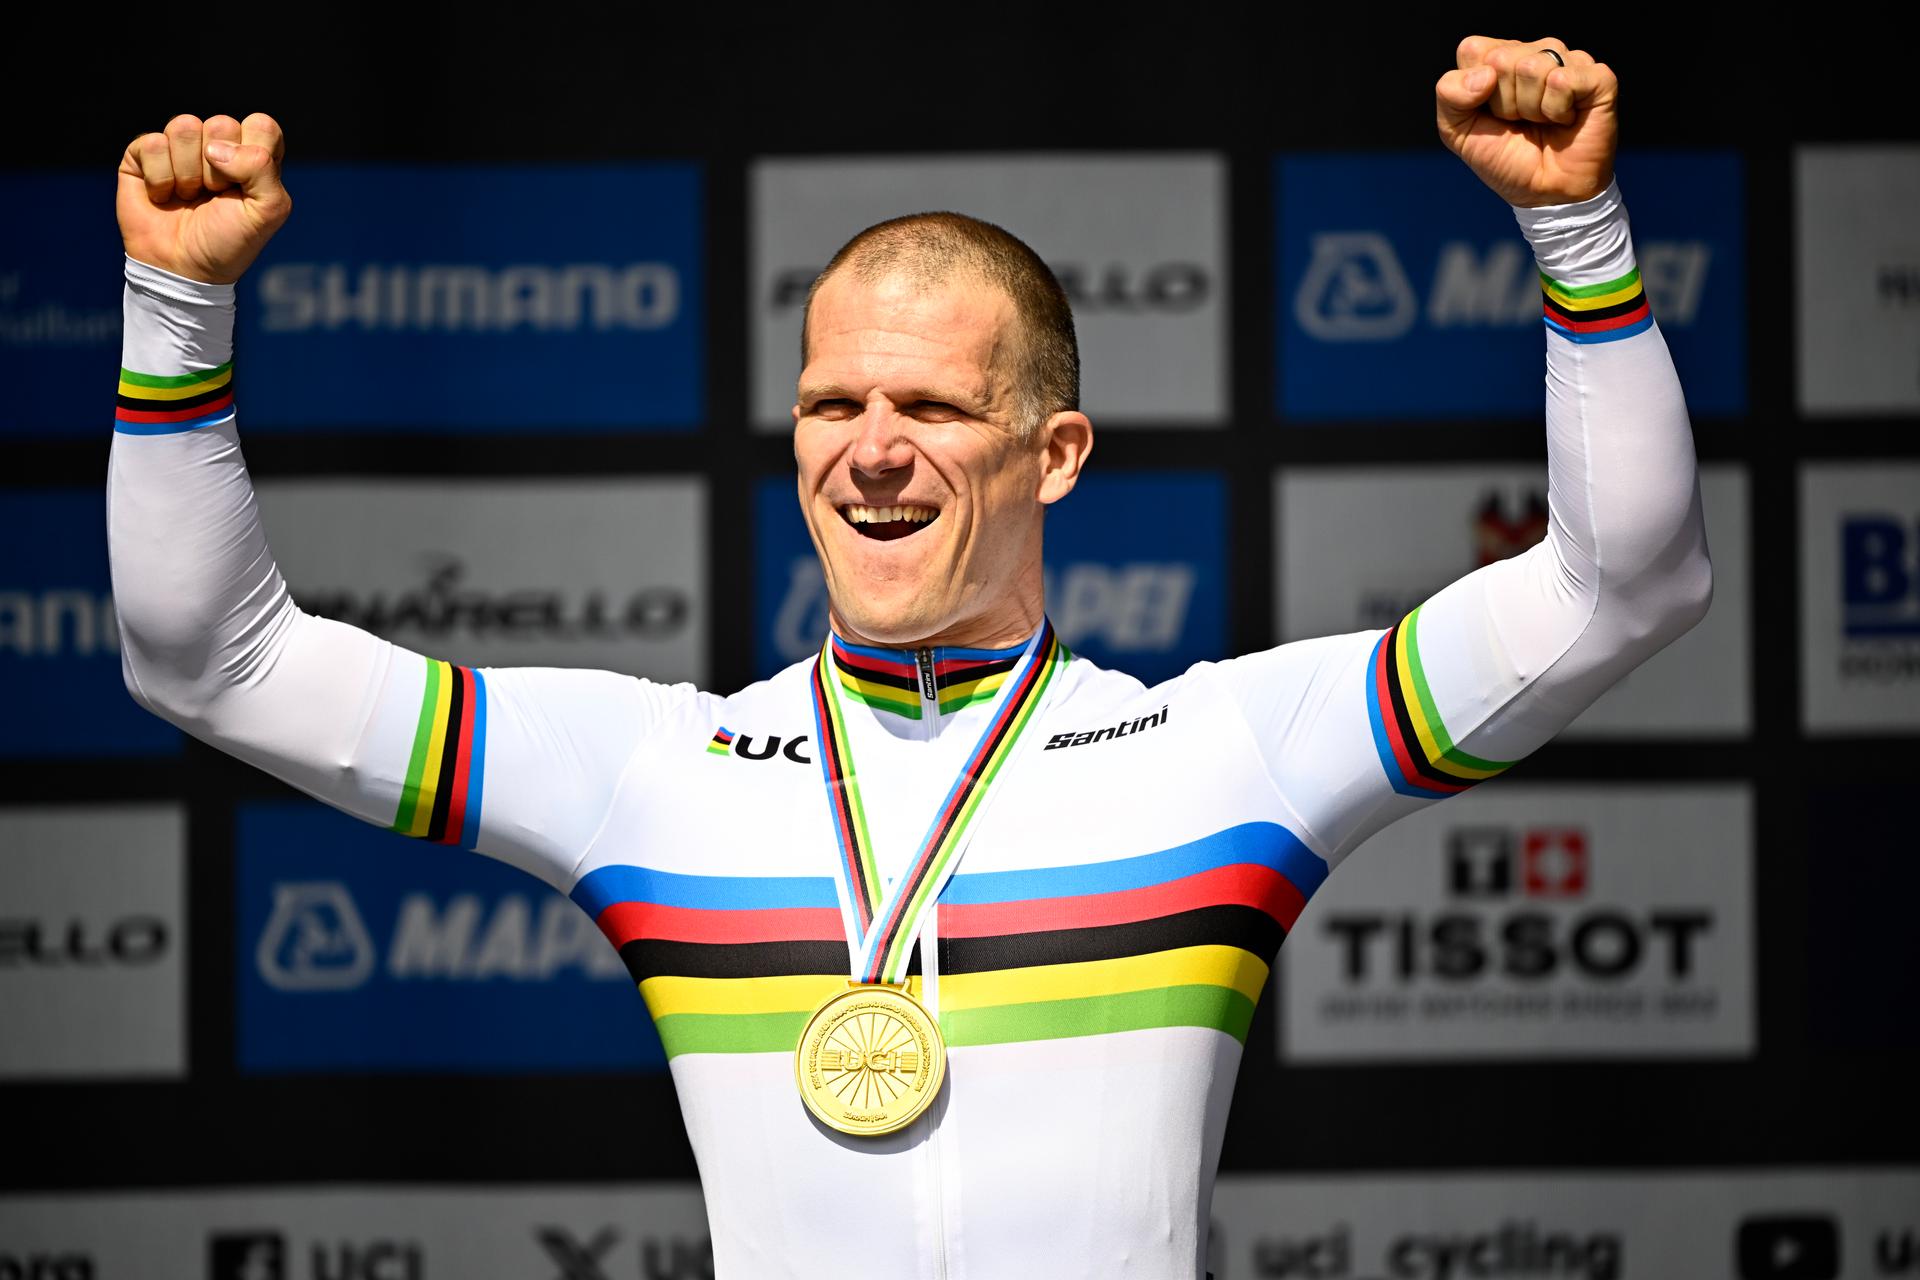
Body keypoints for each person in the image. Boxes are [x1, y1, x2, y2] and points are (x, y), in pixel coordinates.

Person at [106, 33, 1709, 1278]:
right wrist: (174, 308)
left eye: (931, 409)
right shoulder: (656, 779)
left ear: (1056, 453)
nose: (869, 452)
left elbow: (1620, 585)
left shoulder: (1227, 758)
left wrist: (1577, 227)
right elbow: (212, 660)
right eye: (829, 407)